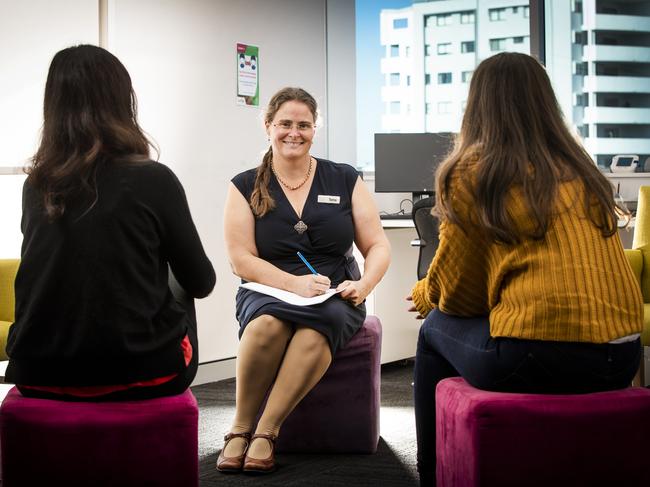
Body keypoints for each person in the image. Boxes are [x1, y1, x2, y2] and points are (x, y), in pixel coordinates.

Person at [407, 52, 642, 486]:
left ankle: (429, 474)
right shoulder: (581, 169)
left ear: (477, 105)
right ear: (545, 105)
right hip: (622, 355)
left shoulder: (471, 171)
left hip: (536, 358)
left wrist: (426, 293)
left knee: (433, 329)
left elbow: (459, 295)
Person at [5, 45, 216, 401]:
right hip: (142, 373)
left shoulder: (36, 184)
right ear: (122, 101)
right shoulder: (154, 178)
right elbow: (201, 281)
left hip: (35, 372)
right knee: (178, 285)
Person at [221, 87, 390, 473]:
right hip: (267, 288)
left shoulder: (344, 178)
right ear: (268, 126)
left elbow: (378, 245)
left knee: (320, 326)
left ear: (315, 129)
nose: (293, 132)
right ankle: (239, 427)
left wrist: (363, 287)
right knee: (265, 326)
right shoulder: (244, 184)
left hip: (333, 292)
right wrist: (291, 284)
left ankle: (266, 431)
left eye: (303, 125)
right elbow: (240, 259)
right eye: (284, 124)